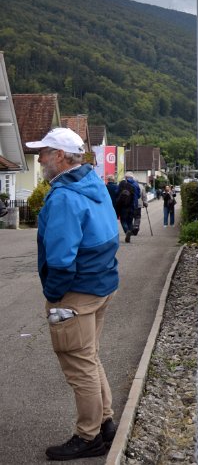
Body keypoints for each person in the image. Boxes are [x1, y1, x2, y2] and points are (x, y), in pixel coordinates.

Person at [26, 127, 119, 460]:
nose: (40, 159)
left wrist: (53, 296)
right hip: (100, 286)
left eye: (44, 153)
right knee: (89, 357)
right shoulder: (94, 184)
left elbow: (61, 258)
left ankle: (89, 435)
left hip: (75, 293)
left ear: (60, 157)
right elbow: (111, 236)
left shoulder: (64, 196)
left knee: (79, 366)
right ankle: (105, 425)